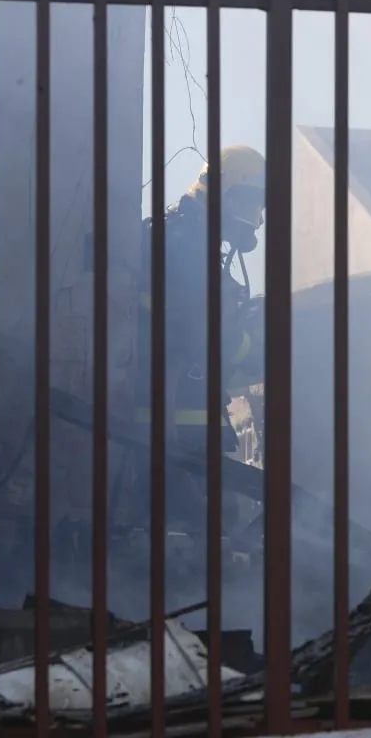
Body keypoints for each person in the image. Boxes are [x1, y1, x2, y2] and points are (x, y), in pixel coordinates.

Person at [134, 144, 268, 531]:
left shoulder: (187, 243)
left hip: (185, 427)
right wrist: (251, 346)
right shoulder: (182, 248)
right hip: (173, 432)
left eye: (258, 206)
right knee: (205, 532)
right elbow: (203, 338)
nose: (255, 218)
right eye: (248, 203)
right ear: (221, 191)